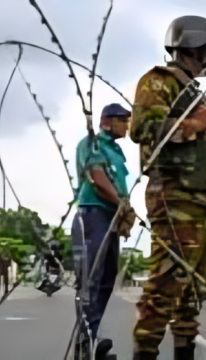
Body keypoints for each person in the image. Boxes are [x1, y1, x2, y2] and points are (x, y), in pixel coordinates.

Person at [129, 15, 206, 360]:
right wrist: (197, 123)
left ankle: (184, 352)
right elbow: (143, 129)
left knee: (193, 290)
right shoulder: (159, 82)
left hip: (205, 200)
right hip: (176, 197)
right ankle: (145, 351)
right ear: (191, 46)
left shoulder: (198, 94)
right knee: (165, 284)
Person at [72, 103, 136, 358]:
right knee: (91, 280)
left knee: (108, 279)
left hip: (109, 218)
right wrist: (120, 202)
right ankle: (86, 340)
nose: (126, 126)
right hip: (93, 215)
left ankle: (91, 337)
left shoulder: (116, 151)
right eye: (123, 120)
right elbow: (97, 176)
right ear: (108, 120)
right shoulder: (92, 144)